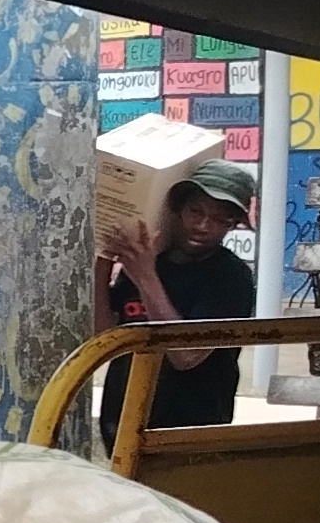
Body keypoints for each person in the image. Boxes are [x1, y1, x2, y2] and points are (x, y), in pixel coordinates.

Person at [94, 159, 260, 444]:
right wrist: (104, 259)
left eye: (220, 219)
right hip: (122, 428)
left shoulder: (231, 278)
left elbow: (185, 356)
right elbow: (104, 335)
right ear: (178, 210)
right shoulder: (149, 262)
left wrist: (145, 276)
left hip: (188, 435)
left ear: (233, 225)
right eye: (196, 211)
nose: (203, 226)